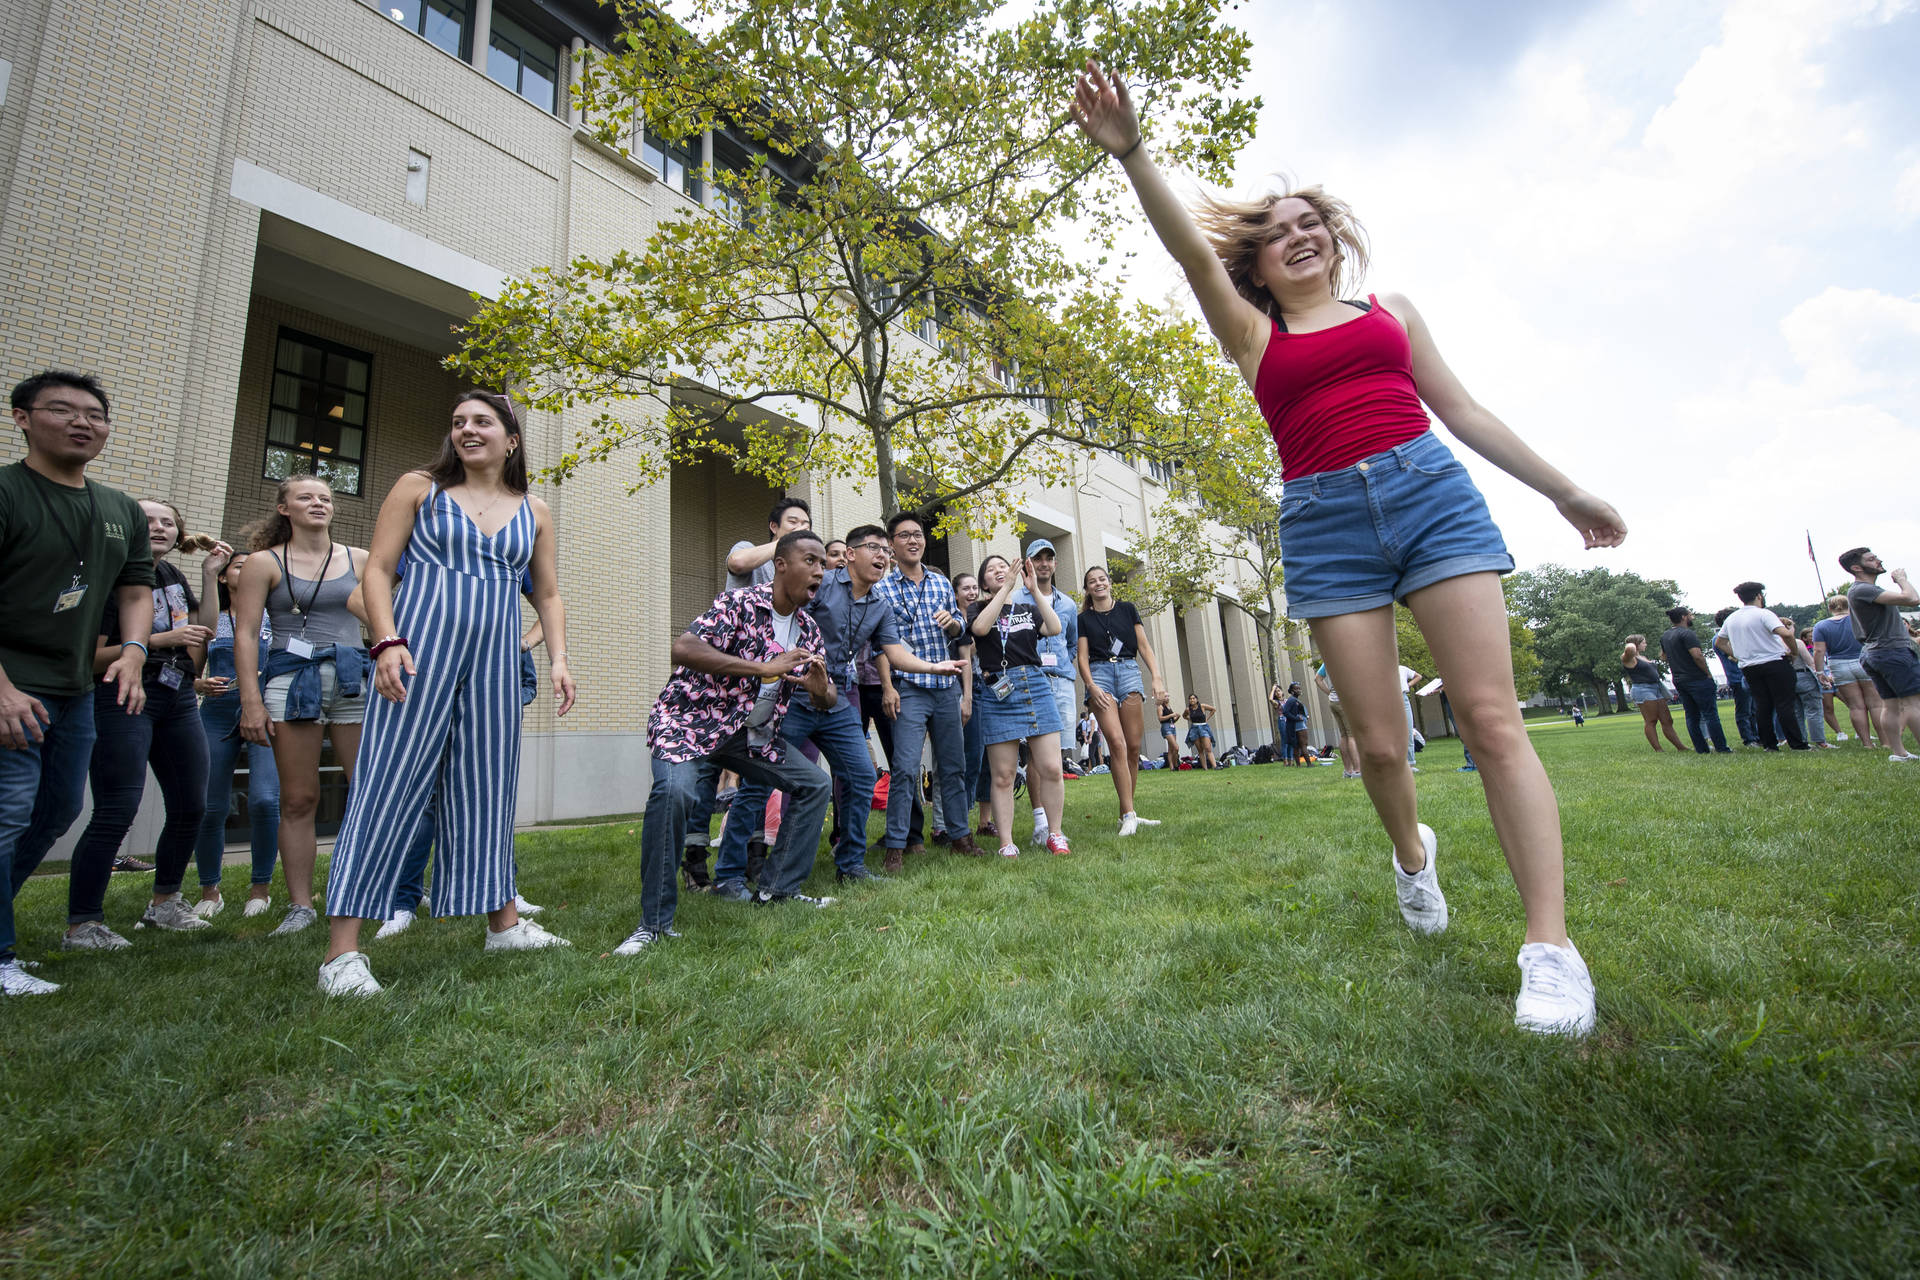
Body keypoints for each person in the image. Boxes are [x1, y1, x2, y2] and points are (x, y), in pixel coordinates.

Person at [1070, 62, 1629, 1034]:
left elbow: (1462, 412)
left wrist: (1564, 487)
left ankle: (1550, 948)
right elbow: (1191, 256)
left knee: (1493, 720)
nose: (1298, 235)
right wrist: (1132, 154)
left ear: (1335, 238)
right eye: (1278, 229)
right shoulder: (1251, 333)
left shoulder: (1392, 314)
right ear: (1260, 260)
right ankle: (1414, 858)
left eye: (1311, 222)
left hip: (1431, 497)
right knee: (1377, 742)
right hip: (1326, 524)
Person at [314, 391, 576, 996]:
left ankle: (503, 924)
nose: (467, 430)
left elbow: (549, 594)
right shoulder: (419, 488)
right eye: (458, 422)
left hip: (494, 663)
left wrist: (558, 658)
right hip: (417, 653)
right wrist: (384, 642)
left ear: (511, 438)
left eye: (482, 422)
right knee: (388, 782)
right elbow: (377, 570)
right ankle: (341, 955)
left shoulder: (533, 509)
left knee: (488, 784)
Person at [714, 523, 973, 897]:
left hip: (837, 698)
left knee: (861, 776)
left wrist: (935, 667)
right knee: (760, 781)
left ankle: (850, 864)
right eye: (874, 547)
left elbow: (894, 651)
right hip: (794, 694)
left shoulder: (878, 604)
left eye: (886, 549)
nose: (883, 555)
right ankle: (729, 874)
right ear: (850, 554)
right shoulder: (821, 583)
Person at [1, 371, 155, 995]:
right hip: (14, 685)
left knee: (59, 808)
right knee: (9, 810)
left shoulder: (118, 509)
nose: (81, 422)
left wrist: (136, 652)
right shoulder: (9, 491)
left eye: (94, 414)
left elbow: (137, 589)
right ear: (21, 417)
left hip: (73, 690)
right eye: (62, 410)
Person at [622, 529, 837, 954]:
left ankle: (777, 890)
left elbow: (826, 699)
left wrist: (819, 685)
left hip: (748, 736)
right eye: (810, 561)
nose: (820, 571)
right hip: (690, 721)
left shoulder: (809, 631)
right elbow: (683, 647)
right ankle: (655, 924)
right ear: (780, 565)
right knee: (675, 793)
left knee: (815, 784)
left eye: (822, 565)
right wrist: (762, 667)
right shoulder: (738, 604)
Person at [60, 499, 218, 944]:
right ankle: (83, 923)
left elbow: (204, 629)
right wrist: (157, 640)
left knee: (192, 805)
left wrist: (209, 576)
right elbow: (86, 658)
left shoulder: (170, 576)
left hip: (178, 696)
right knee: (117, 808)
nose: (160, 528)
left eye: (168, 522)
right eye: (148, 520)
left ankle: (165, 904)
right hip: (122, 695)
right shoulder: (111, 578)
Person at [233, 476, 369, 936]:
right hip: (292, 682)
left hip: (354, 680)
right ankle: (300, 906)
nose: (318, 503)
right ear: (284, 508)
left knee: (367, 791)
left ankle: (367, 892)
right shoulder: (262, 563)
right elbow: (247, 632)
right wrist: (250, 700)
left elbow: (385, 616)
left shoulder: (360, 559)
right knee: (298, 798)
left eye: (326, 498)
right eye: (306, 497)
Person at [874, 512, 969, 873]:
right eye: (905, 535)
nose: (913, 540)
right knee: (904, 768)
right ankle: (896, 846)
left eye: (918, 534)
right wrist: (887, 687)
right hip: (909, 688)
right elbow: (882, 646)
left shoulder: (941, 583)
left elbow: (959, 634)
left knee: (954, 767)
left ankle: (960, 835)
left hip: (945, 688)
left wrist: (955, 623)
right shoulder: (882, 589)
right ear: (892, 543)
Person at [192, 547, 282, 918]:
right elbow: (191, 671)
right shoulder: (211, 618)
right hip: (216, 712)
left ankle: (260, 888)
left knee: (264, 800)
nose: (246, 572)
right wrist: (199, 684)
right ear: (225, 576)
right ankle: (209, 890)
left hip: (266, 710)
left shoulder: (275, 617)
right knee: (210, 807)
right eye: (238, 567)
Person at [970, 555, 1069, 857]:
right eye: (992, 570)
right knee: (1003, 775)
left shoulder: (1027, 608)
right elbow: (980, 629)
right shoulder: (978, 608)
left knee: (1052, 767)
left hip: (1035, 685)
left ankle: (1055, 833)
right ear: (984, 581)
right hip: (998, 689)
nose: (999, 570)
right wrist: (1005, 590)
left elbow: (1053, 627)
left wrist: (1034, 589)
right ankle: (1006, 843)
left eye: (1003, 566)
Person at [1075, 564, 1170, 833]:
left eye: (1102, 579)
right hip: (1100, 675)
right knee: (1116, 743)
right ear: (1087, 589)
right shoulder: (1083, 619)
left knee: (1132, 747)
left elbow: (1143, 646)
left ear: (1109, 583)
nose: (1098, 584)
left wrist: (1157, 677)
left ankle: (1125, 813)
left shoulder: (1127, 609)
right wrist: (1091, 686)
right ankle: (1129, 814)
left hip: (1128, 671)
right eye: (1092, 581)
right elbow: (1081, 657)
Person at [1014, 539, 1080, 838]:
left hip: (1061, 680)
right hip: (1032, 680)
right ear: (1028, 564)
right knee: (1033, 755)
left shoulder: (1068, 603)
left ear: (1055, 563)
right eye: (1037, 558)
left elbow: (1070, 643)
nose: (1043, 563)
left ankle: (1055, 825)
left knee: (1056, 756)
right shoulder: (1016, 598)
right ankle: (1040, 820)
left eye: (1048, 558)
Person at [1839, 547, 1920, 761]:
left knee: (1891, 704)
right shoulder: (1863, 589)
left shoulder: (1861, 591)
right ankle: (1899, 752)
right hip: (1891, 652)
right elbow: (1912, 598)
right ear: (1856, 567)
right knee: (1913, 703)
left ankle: (1899, 753)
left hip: (1874, 653)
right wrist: (1902, 579)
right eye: (1872, 559)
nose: (1878, 561)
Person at [1712, 583, 1813, 752]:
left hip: (1750, 667)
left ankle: (1769, 744)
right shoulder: (1764, 614)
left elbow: (1720, 642)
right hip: (1774, 662)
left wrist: (1737, 656)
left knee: (1763, 705)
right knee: (1784, 704)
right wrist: (1793, 652)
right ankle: (1798, 744)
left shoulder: (1732, 619)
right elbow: (1786, 633)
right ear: (1759, 596)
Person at [1811, 594, 1880, 749]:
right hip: (1864, 661)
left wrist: (1820, 672)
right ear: (1850, 605)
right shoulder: (1861, 620)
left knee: (1856, 706)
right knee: (1875, 704)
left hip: (1839, 666)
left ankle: (1867, 743)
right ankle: (1886, 741)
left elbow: (1819, 651)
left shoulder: (1821, 626)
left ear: (1830, 608)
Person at [1659, 607, 1729, 754]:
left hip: (1679, 679)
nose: (1692, 618)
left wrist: (1676, 658)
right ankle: (1721, 747)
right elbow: (1697, 655)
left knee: (1691, 715)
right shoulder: (1687, 634)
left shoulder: (1666, 636)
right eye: (1690, 615)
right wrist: (1708, 674)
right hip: (1697, 678)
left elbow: (1663, 656)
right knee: (1710, 714)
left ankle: (1701, 748)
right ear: (1684, 617)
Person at [1620, 635, 1683, 752]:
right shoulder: (1629, 658)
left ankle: (1680, 747)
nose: (1646, 644)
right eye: (1643, 642)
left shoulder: (1643, 657)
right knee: (1651, 720)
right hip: (1643, 689)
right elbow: (1629, 649)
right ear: (1636, 644)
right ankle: (1658, 749)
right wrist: (1631, 644)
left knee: (1667, 720)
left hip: (1657, 688)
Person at [1710, 607, 1759, 746]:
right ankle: (1749, 739)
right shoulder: (1719, 639)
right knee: (1744, 710)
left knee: (1754, 709)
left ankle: (1756, 736)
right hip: (1737, 678)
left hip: (1748, 675)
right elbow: (1735, 655)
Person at [1790, 629, 1837, 749]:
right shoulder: (1797, 642)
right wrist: (1821, 677)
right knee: (1813, 710)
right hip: (1803, 677)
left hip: (1787, 679)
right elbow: (1810, 661)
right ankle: (1820, 741)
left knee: (1797, 712)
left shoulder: (1774, 644)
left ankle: (1801, 741)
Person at [1315, 662, 1361, 778]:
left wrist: (1329, 693)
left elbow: (1317, 679)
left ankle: (1348, 770)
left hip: (1333, 701)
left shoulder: (1328, 660)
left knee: (1344, 735)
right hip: (1345, 701)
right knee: (1352, 735)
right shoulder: (1346, 658)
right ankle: (1357, 770)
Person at [1183, 694, 1218, 770]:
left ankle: (1215, 766)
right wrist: (1190, 719)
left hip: (1204, 727)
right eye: (1190, 699)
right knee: (1200, 750)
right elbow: (1184, 716)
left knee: (1208, 748)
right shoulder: (1188, 709)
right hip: (1194, 729)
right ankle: (1205, 768)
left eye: (1193, 698)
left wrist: (1207, 718)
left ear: (1197, 699)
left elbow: (1213, 709)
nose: (1192, 700)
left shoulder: (1202, 706)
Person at [1280, 682, 1310, 765]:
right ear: (1292, 691)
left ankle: (1298, 765)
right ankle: (1309, 763)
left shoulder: (1294, 700)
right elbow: (1285, 712)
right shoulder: (1292, 700)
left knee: (1296, 746)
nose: (1299, 690)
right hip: (1299, 726)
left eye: (1299, 688)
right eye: (1297, 689)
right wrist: (1297, 718)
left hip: (1296, 725)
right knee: (1303, 744)